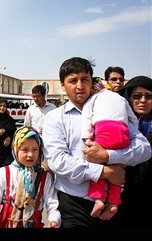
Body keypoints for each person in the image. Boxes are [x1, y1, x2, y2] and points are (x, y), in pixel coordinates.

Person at [42, 57, 151, 228]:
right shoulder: (54, 118)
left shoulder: (110, 111)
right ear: (62, 85)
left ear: (91, 82)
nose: (80, 85)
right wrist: (103, 172)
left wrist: (109, 155)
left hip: (114, 203)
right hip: (75, 205)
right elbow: (58, 161)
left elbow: (144, 149)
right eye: (73, 80)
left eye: (85, 79)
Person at [81, 77, 138, 218]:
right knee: (116, 168)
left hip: (105, 132)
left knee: (97, 164)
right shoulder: (120, 98)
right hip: (123, 134)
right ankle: (113, 202)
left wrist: (87, 139)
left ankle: (99, 199)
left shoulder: (93, 99)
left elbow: (86, 119)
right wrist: (131, 136)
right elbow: (134, 119)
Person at [0, 126, 61, 228]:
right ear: (15, 150)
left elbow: (53, 205)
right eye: (25, 149)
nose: (30, 154)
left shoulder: (44, 177)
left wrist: (54, 220)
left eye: (35, 149)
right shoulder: (4, 173)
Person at [117, 75, 152, 227]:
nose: (143, 100)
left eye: (149, 96)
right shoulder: (119, 122)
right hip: (122, 191)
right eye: (137, 96)